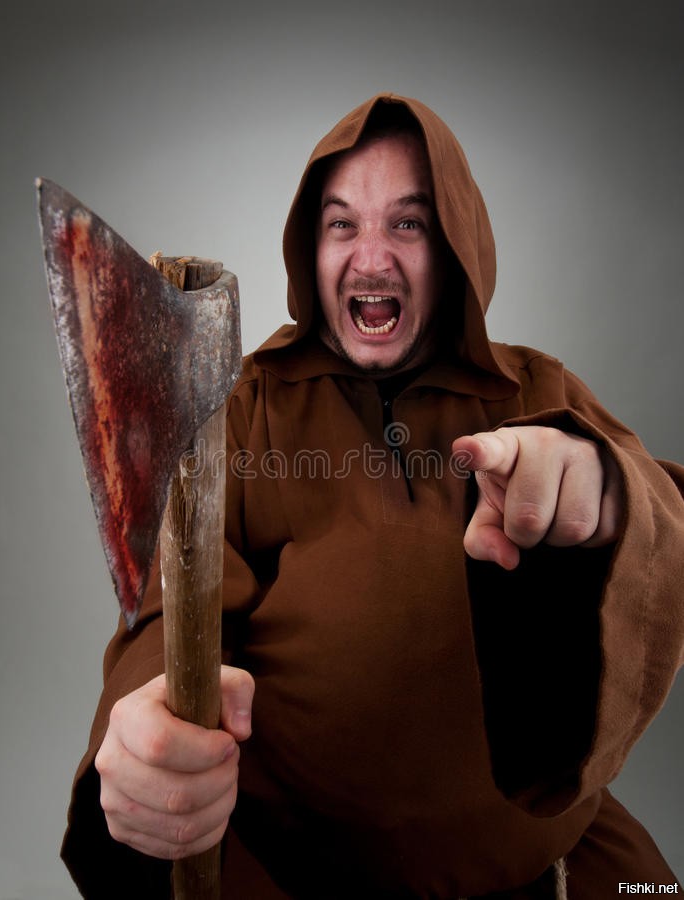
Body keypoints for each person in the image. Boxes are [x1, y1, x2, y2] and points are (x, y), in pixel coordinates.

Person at [61, 94, 684, 899]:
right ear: (309, 247)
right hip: (291, 877)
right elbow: (166, 613)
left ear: (453, 245)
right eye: (341, 224)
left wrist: (602, 493)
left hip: (551, 868)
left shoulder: (534, 389)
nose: (371, 258)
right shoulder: (243, 409)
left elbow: (667, 527)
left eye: (407, 223)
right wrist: (144, 732)